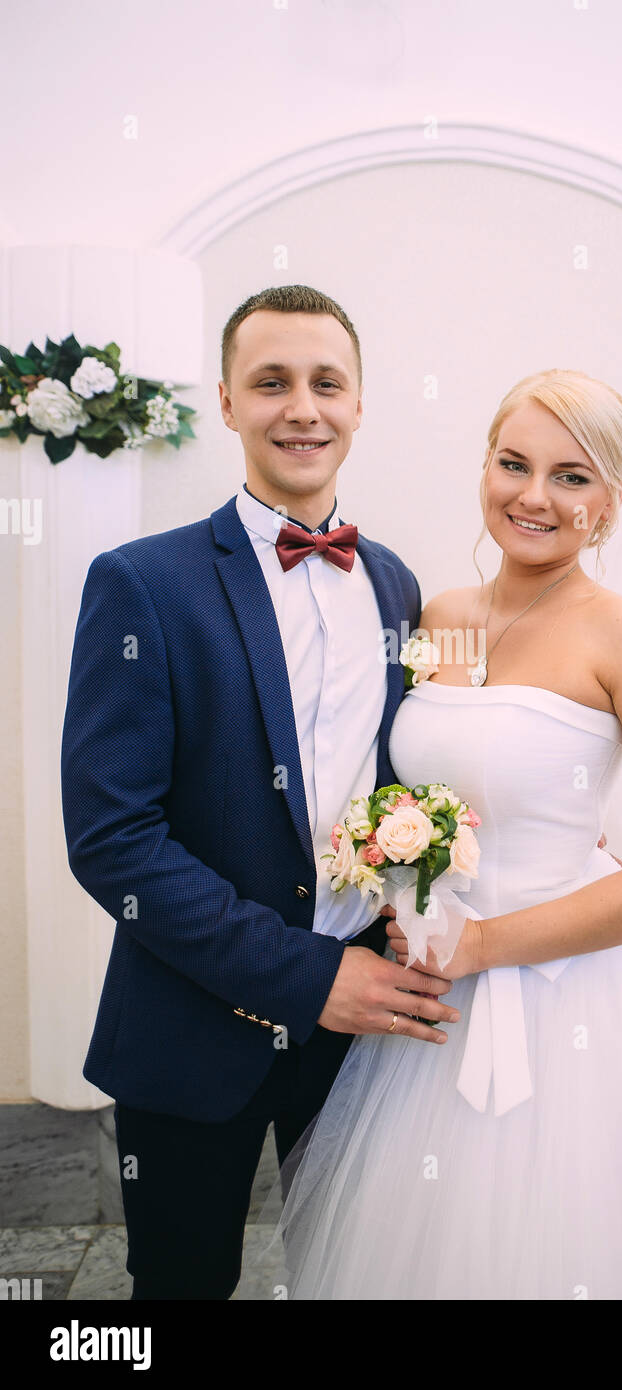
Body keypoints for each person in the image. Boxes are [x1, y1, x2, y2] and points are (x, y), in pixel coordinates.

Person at [247, 368, 622, 1300]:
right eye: (513, 464)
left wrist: (486, 943)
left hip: (582, 992)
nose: (533, 496)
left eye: (570, 477)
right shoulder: (445, 619)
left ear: (610, 505)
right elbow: (414, 776)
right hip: (428, 1004)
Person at [60, 284, 463, 1300]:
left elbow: (406, 782)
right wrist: (302, 974)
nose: (302, 407)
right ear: (230, 404)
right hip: (193, 1024)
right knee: (180, 1286)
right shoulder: (141, 581)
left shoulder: (397, 584)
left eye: (326, 382)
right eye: (271, 382)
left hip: (364, 1039)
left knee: (354, 1274)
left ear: (360, 404)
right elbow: (113, 838)